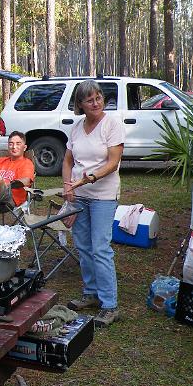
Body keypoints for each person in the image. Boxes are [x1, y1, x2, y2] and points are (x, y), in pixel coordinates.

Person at [62, 80, 125, 326]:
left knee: (100, 248)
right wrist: (69, 187)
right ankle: (91, 293)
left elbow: (113, 163)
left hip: (103, 195)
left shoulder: (112, 124)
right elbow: (68, 161)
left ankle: (110, 305)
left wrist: (90, 178)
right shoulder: (77, 127)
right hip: (79, 195)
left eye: (98, 97)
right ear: (80, 104)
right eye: (90, 99)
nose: (96, 102)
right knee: (83, 246)